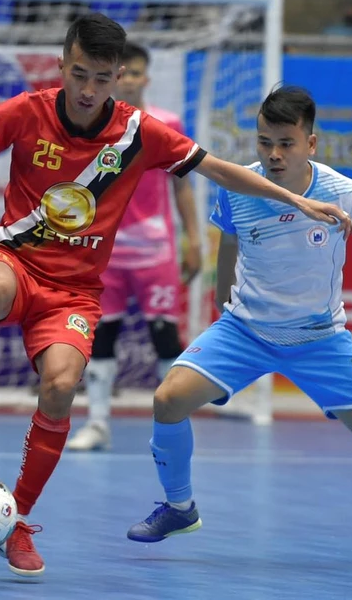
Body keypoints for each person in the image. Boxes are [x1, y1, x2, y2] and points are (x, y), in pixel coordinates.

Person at [0, 15, 352, 578]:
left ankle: (19, 522)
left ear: (118, 77)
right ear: (61, 65)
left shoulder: (140, 132)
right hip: (15, 260)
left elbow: (220, 172)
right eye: (79, 74)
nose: (87, 89)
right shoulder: (25, 112)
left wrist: (299, 201)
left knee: (60, 387)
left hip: (74, 293)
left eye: (101, 78)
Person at [126, 86, 352, 568]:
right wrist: (221, 296)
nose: (273, 154)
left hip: (320, 340)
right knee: (168, 400)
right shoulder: (239, 184)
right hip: (244, 332)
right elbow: (229, 239)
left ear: (310, 143)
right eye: (264, 142)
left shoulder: (342, 192)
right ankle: (179, 507)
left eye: (286, 143)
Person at [67, 41, 201, 453]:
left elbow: (182, 186)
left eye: (138, 73)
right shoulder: (91, 124)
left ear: (146, 78)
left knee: (165, 338)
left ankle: (174, 428)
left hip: (155, 252)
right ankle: (97, 424)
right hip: (104, 251)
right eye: (123, 74)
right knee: (101, 335)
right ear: (114, 77)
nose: (130, 81)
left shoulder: (167, 123)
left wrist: (194, 238)